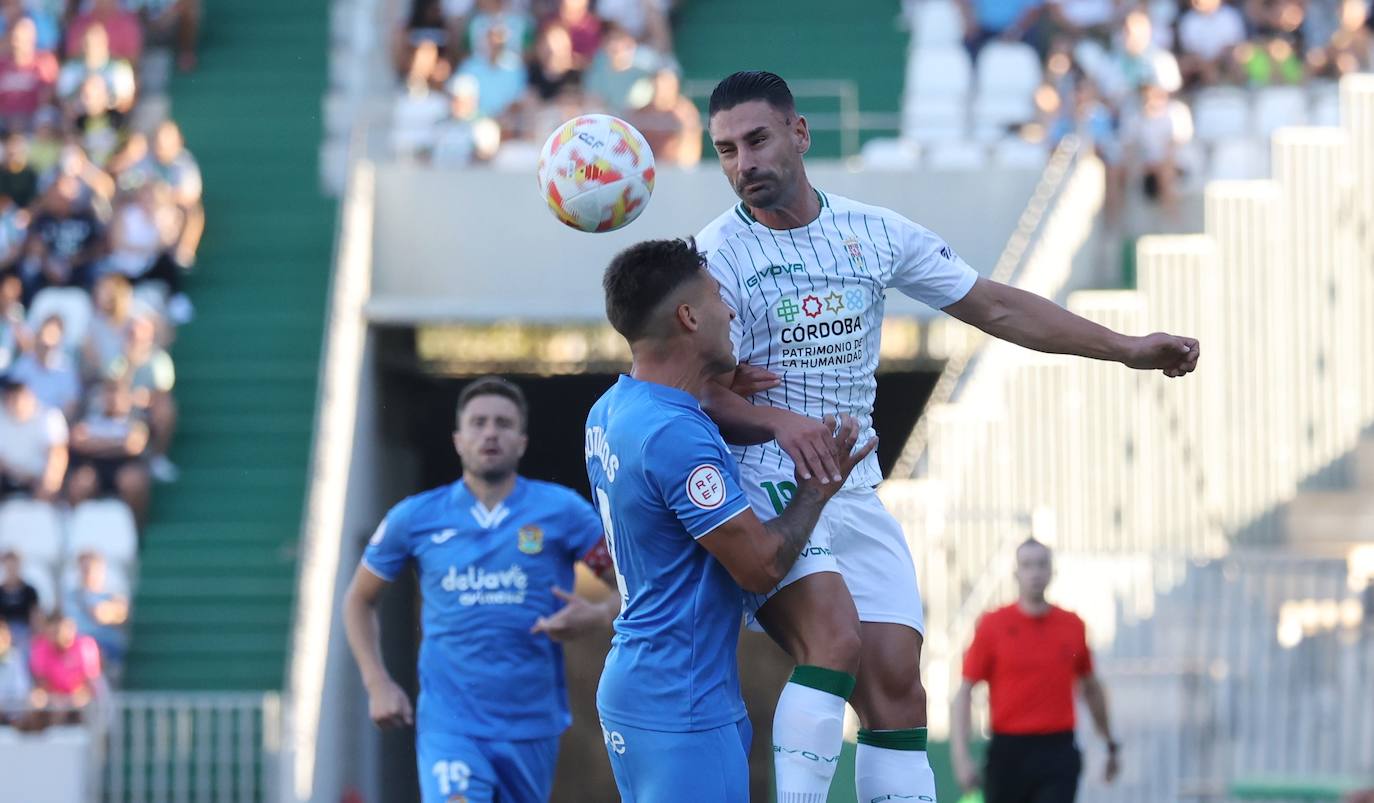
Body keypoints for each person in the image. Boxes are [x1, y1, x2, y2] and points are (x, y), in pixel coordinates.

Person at [694, 70, 1198, 803]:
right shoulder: (714, 258)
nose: (744, 163)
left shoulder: (874, 232)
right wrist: (778, 420)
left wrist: (1124, 347)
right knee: (833, 641)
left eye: (758, 140)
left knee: (900, 691)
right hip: (766, 482)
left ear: (799, 134)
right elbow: (690, 390)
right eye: (727, 150)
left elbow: (996, 305)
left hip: (854, 488)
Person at [586, 237, 874, 802]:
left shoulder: (611, 409)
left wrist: (705, 392)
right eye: (718, 298)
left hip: (639, 685)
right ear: (688, 317)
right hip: (682, 701)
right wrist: (816, 488)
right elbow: (760, 566)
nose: (732, 311)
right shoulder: (677, 434)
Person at [342, 376, 621, 803]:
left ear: (522, 440)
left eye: (503, 423)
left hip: (531, 723)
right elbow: (359, 599)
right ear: (458, 439)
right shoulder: (415, 518)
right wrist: (377, 681)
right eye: (478, 422)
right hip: (451, 724)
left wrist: (599, 614)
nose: (490, 432)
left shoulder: (562, 512)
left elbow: (635, 588)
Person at [951, 539, 1119, 802]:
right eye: (1027, 565)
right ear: (1016, 573)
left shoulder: (1072, 626)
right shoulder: (993, 625)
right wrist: (961, 757)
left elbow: (1091, 688)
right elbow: (964, 692)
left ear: (1052, 571)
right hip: (1008, 752)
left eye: (1042, 565)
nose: (1035, 572)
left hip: (1058, 750)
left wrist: (1110, 744)